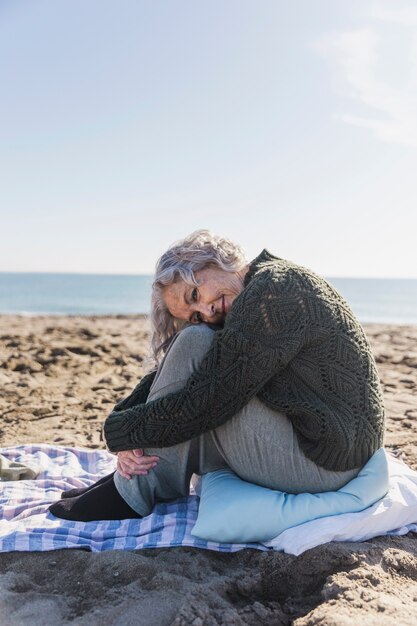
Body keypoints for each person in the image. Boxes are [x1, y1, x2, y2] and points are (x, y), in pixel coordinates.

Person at [49, 230, 385, 522]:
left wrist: (120, 431)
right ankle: (133, 481)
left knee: (196, 345)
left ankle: (132, 492)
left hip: (324, 463)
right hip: (323, 446)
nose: (207, 312)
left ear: (209, 260)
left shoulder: (273, 291)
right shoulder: (262, 287)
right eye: (195, 313)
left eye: (195, 295)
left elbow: (209, 400)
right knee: (199, 345)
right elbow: (200, 377)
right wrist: (124, 421)